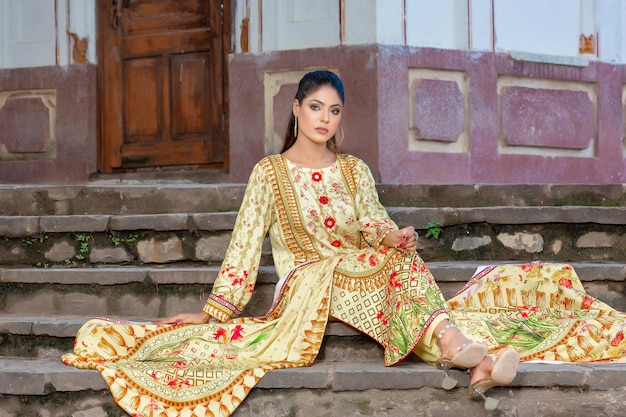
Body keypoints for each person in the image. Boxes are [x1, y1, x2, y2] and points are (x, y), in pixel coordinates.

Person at [62, 70, 519, 416]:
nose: (325, 118)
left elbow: (374, 220)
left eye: (334, 110)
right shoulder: (269, 173)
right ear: (297, 109)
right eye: (316, 107)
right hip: (306, 280)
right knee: (389, 270)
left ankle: (466, 356)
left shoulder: (354, 169)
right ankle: (459, 347)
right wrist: (213, 312)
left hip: (360, 269)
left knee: (400, 261)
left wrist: (393, 236)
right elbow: (244, 245)